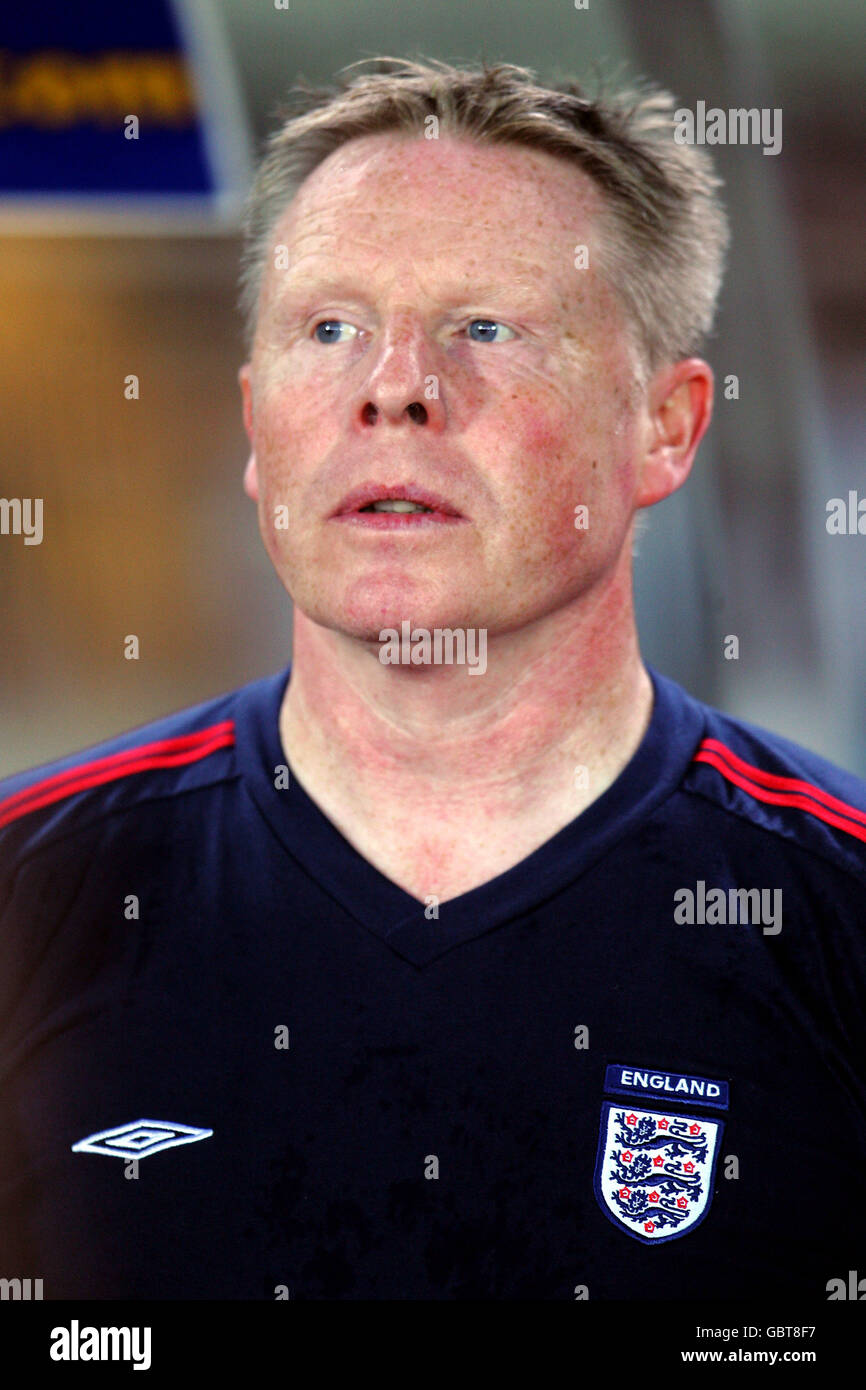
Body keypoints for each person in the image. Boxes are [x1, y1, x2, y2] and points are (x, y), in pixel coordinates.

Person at [1, 57, 864, 1301]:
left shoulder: (830, 913)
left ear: (663, 427)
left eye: (486, 328)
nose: (393, 387)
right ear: (254, 424)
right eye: (329, 330)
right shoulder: (33, 893)